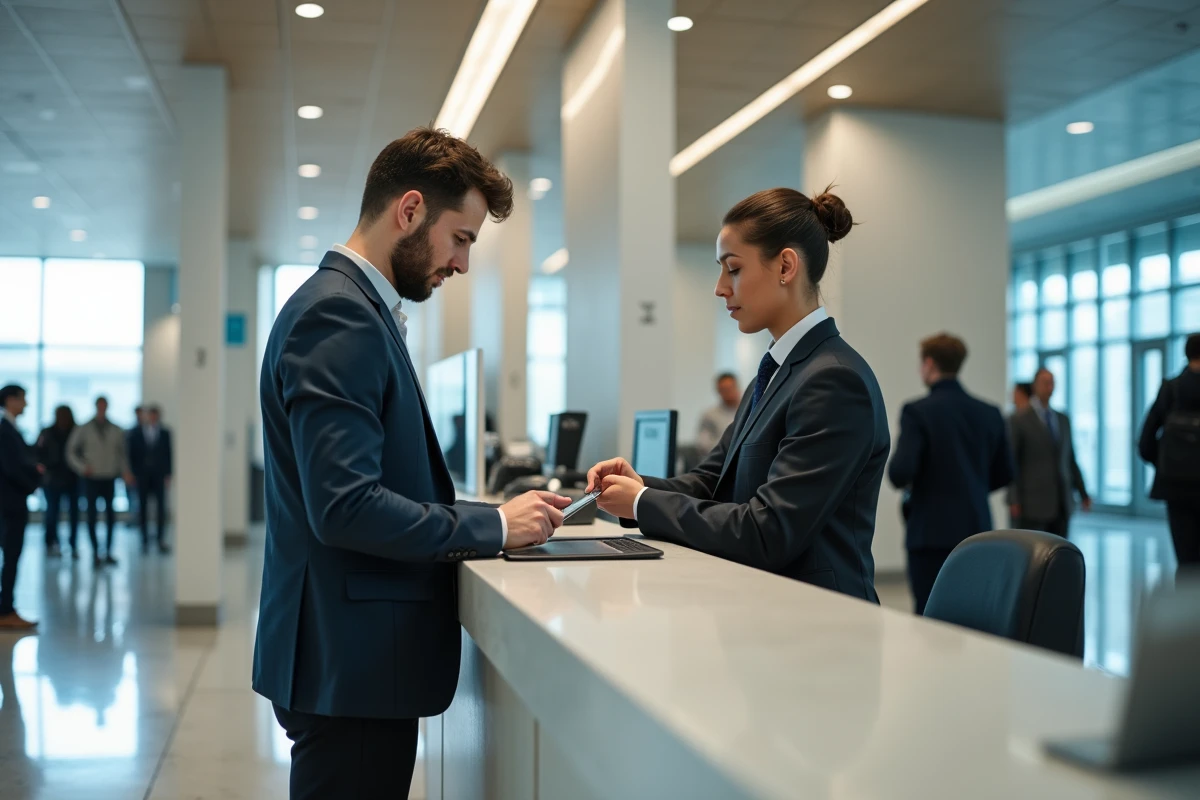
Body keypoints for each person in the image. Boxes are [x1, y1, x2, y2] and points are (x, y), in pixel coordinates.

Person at [253, 128, 572, 799]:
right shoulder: (338, 316)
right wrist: (491, 527)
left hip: (352, 659)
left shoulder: (353, 307)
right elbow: (345, 506)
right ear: (409, 210)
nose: (461, 263)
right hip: (351, 661)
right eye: (461, 237)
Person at [586, 187, 889, 602]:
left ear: (785, 266)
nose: (719, 288)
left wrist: (642, 503)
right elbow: (712, 482)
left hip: (820, 626)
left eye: (733, 269)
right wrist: (640, 486)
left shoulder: (834, 381)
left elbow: (770, 531)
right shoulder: (777, 373)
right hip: (766, 612)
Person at [887, 334, 1014, 614]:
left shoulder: (917, 412)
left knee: (930, 617)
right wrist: (973, 485)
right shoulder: (989, 413)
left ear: (930, 364)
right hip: (976, 531)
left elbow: (900, 472)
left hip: (929, 534)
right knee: (973, 616)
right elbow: (1006, 472)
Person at [1138, 333, 1200, 570]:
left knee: (1186, 560)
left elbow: (1145, 441)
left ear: (1187, 354)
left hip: (1176, 487)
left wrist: (1166, 462)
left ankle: (1187, 607)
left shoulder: (1171, 389)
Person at [1009, 368, 1092, 536]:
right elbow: (1012, 461)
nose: (1049, 387)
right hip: (1033, 502)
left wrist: (1083, 492)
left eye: (1052, 383)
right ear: (1035, 386)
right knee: (1033, 554)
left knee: (1059, 553)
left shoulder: (1062, 419)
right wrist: (1014, 499)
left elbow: (1070, 459)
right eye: (1044, 382)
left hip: (1061, 501)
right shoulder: (1019, 419)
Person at [66, 396, 128, 567]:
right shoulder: (84, 428)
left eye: (104, 406)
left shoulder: (116, 429)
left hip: (109, 476)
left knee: (110, 516)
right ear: (96, 407)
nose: (102, 409)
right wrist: (82, 467)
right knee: (92, 515)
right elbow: (71, 451)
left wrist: (125, 472)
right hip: (91, 477)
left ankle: (108, 551)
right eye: (99, 406)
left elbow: (122, 454)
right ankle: (95, 551)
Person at [0, 385, 42, 630]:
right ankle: (6, 609)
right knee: (11, 555)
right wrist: (32, 485)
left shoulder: (10, 428)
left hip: (11, 501)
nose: (26, 404)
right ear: (11, 400)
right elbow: (11, 468)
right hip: (10, 502)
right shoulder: (5, 430)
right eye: (23, 399)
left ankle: (6, 606)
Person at [126, 405, 173, 554]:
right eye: (150, 415)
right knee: (143, 507)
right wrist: (131, 473)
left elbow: (169, 454)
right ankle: (144, 540)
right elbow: (131, 455)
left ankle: (160, 539)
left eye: (154, 415)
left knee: (161, 508)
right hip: (142, 476)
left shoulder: (165, 433)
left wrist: (168, 474)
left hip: (159, 475)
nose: (152, 418)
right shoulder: (135, 432)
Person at [36, 405, 80, 560]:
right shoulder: (47, 432)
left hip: (72, 478)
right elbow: (38, 453)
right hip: (52, 479)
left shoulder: (76, 432)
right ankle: (51, 543)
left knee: (73, 514)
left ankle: (73, 544)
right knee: (52, 513)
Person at [695, 372, 740, 454]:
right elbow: (703, 444)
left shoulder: (750, 411)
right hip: (722, 459)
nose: (728, 392)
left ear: (737, 387)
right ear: (718, 391)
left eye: (730, 388)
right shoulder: (709, 415)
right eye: (724, 390)